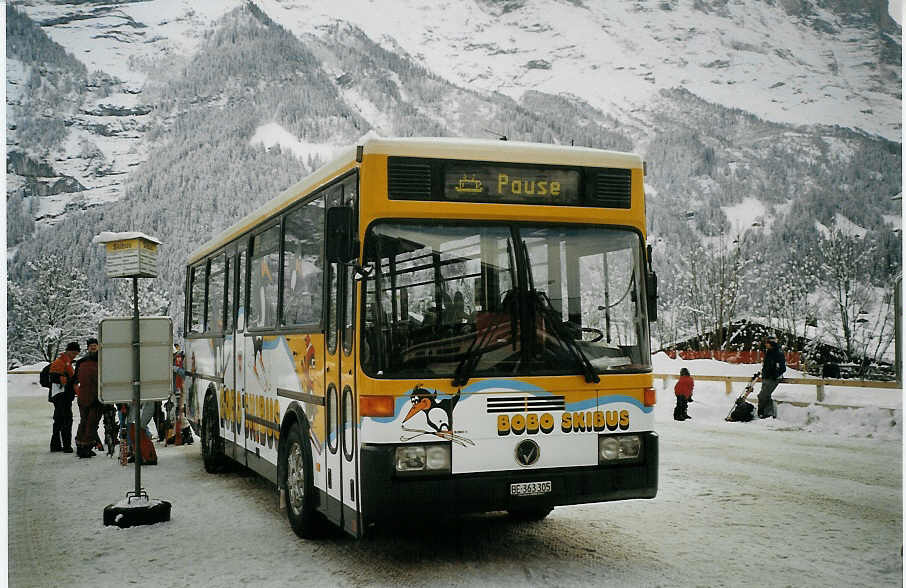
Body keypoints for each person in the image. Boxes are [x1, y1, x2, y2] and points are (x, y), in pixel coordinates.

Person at [49, 341, 80, 453]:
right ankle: (66, 446)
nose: (74, 355)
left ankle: (55, 445)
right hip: (62, 396)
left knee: (59, 420)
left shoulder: (66, 362)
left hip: (61, 396)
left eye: (76, 353)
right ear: (68, 351)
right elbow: (54, 377)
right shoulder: (61, 362)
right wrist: (68, 380)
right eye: (73, 353)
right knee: (66, 420)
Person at [74, 338, 101, 458]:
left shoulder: (103, 360)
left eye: (95, 345)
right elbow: (75, 380)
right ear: (88, 347)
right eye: (91, 346)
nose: (93, 347)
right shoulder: (81, 362)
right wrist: (79, 391)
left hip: (96, 396)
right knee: (87, 422)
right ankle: (83, 447)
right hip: (87, 396)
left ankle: (84, 446)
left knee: (90, 422)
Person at [758, 337, 786, 419]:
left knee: (762, 396)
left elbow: (783, 368)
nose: (766, 344)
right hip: (766, 377)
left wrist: (775, 375)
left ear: (771, 343)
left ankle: (762, 412)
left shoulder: (778, 353)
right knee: (766, 396)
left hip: (773, 378)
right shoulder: (768, 351)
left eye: (767, 343)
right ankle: (768, 414)